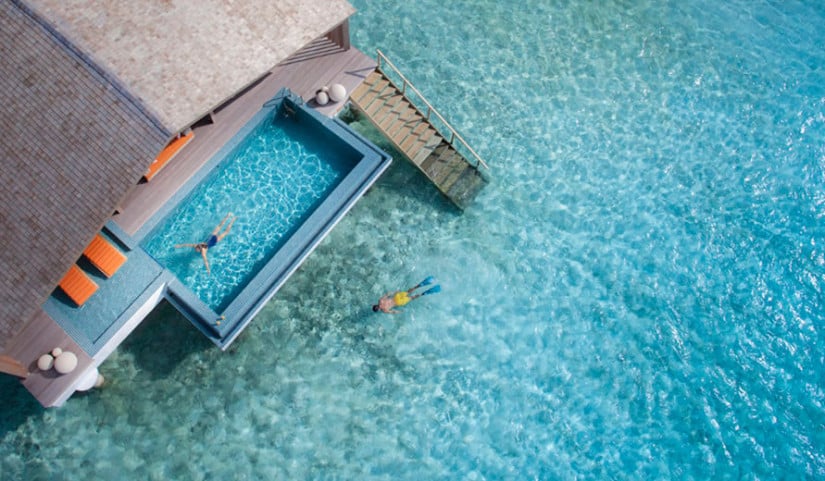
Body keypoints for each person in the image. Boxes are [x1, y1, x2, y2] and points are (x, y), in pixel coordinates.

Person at [372, 277, 440, 314]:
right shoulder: (380, 300)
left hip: (398, 302)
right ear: (376, 305)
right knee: (408, 292)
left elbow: (393, 312)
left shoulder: (384, 310)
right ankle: (419, 286)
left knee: (411, 298)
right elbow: (388, 294)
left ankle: (423, 293)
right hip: (396, 297)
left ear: (379, 309)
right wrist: (395, 292)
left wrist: (400, 312)